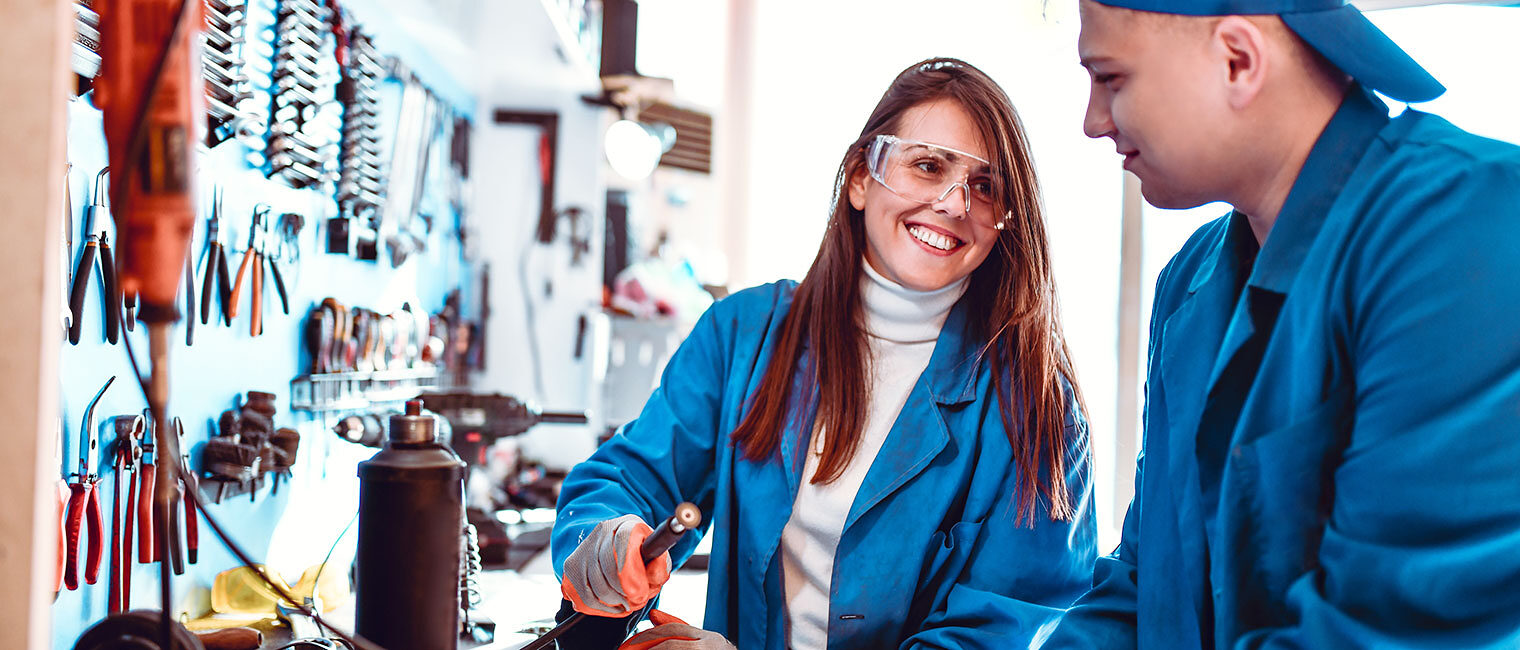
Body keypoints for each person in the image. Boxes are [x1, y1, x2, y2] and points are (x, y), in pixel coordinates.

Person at [550, 57, 1097, 649]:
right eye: (928, 166)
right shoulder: (745, 335)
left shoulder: (1036, 409)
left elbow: (1008, 631)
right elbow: (634, 476)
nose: (954, 203)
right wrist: (606, 539)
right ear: (862, 178)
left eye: (986, 187)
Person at [1045, 1, 1520, 648]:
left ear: (1238, 61)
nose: (1092, 122)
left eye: (1110, 78)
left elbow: (1391, 631)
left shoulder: (1467, 228)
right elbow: (1147, 581)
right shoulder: (1189, 277)